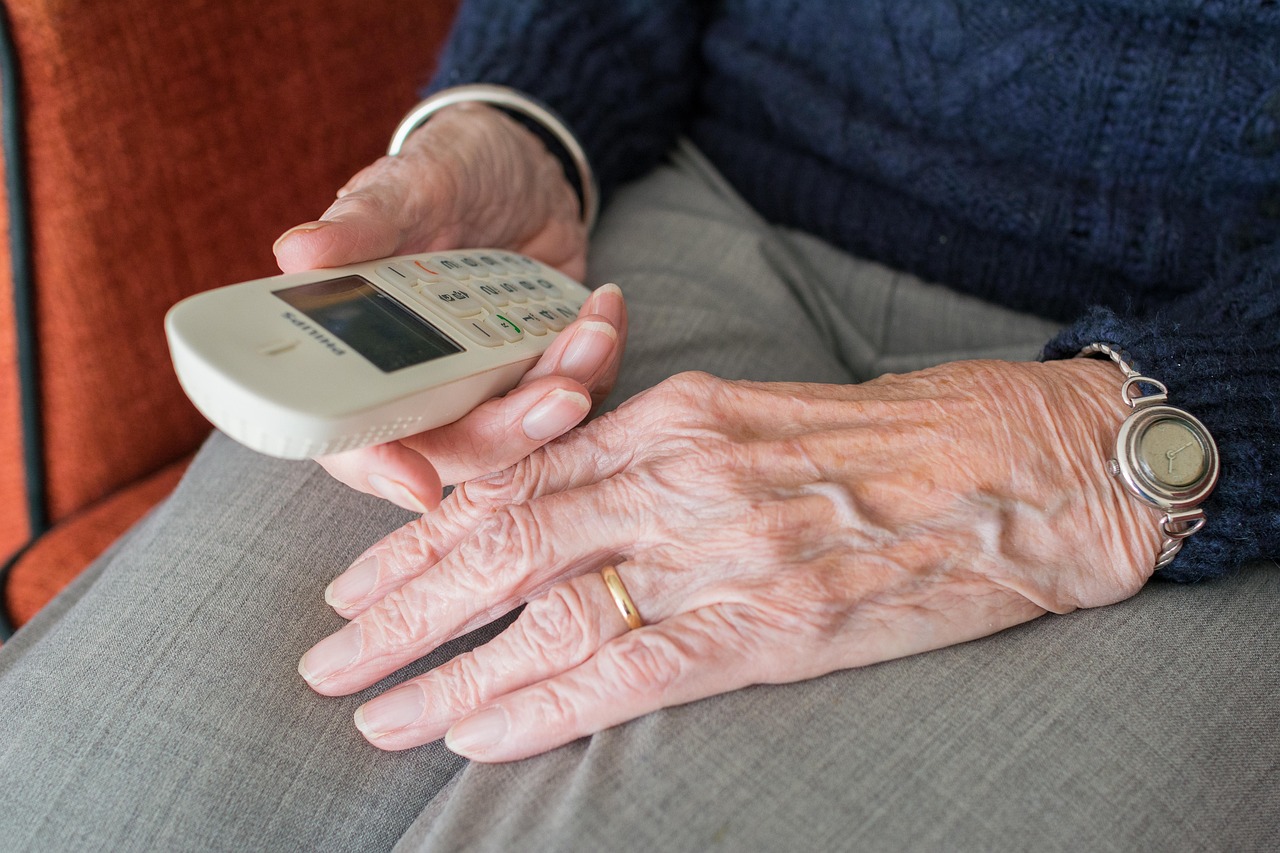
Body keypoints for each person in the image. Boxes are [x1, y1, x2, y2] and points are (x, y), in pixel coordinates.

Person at [1, 1, 1277, 849]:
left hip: (1200, 399)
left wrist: (1106, 452)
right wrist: (517, 121)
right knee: (83, 796)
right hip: (676, 216)